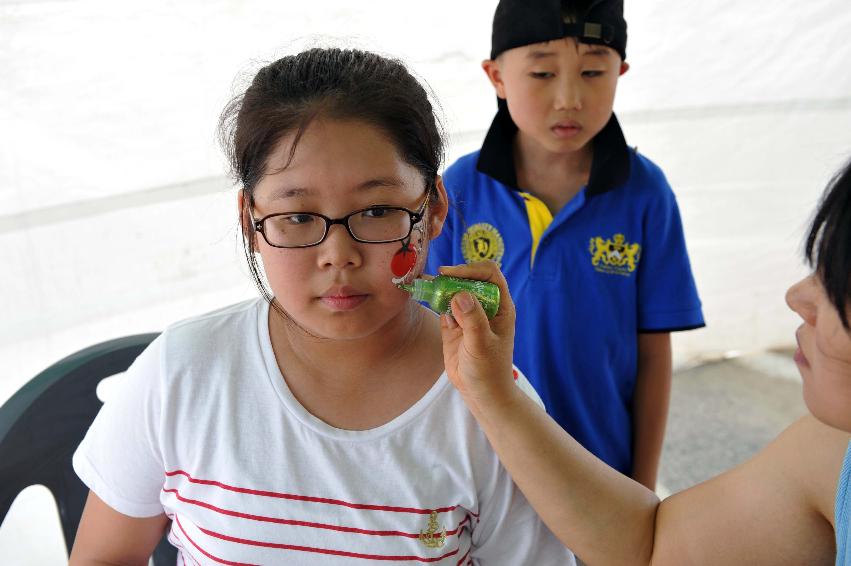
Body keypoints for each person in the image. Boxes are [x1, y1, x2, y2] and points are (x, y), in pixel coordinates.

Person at [67, 48, 576, 565]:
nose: (339, 256)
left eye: (378, 211)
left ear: (435, 208)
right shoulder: (180, 373)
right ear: (250, 219)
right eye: (298, 217)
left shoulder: (494, 410)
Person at [437, 156, 851, 565]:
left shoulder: (644, 189)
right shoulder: (830, 453)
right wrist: (493, 392)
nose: (796, 296)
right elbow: (649, 546)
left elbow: (654, 351)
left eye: (835, 277)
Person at [425, 0, 704, 489]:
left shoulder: (645, 193)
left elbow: (653, 352)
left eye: (594, 71)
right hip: (481, 472)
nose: (570, 97)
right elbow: (428, 336)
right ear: (497, 77)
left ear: (621, 71)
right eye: (542, 73)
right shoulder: (460, 189)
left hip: (601, 471)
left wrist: (642, 487)